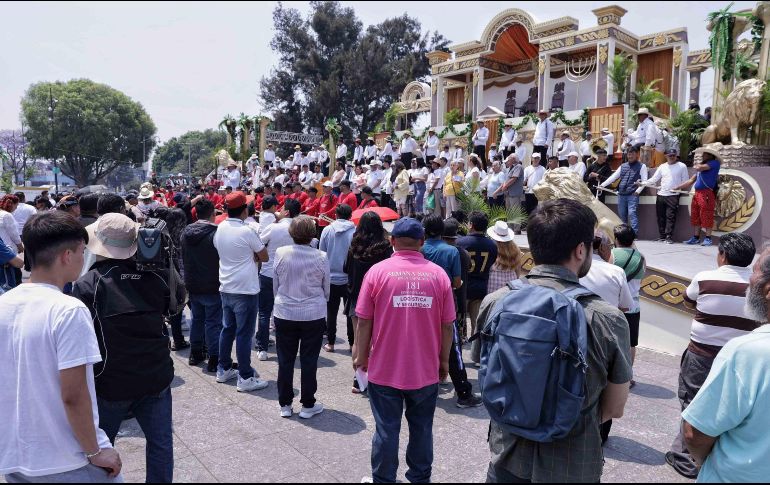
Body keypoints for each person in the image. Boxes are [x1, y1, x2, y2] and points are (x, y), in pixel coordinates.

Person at [479, 199, 632, 483]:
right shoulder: (605, 317)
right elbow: (614, 408)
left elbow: (488, 372)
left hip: (506, 457)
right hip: (571, 462)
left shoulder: (495, 303)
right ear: (581, 249)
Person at [0, 211, 123, 483]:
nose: (84, 258)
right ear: (67, 256)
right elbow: (74, 394)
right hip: (68, 460)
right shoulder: (68, 310)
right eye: (82, 251)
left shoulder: (4, 304)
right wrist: (94, 452)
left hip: (17, 458)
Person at [73, 212, 184, 483]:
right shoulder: (156, 278)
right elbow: (178, 304)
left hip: (110, 382)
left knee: (100, 448)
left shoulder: (88, 285)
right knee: (160, 444)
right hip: (155, 377)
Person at [354, 218, 456, 484]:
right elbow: (447, 326)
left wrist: (360, 356)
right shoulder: (439, 275)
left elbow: (363, 320)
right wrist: (443, 361)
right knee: (422, 429)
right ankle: (420, 478)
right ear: (422, 242)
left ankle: (383, 479)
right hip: (424, 370)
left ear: (392, 242)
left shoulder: (377, 273)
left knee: (386, 430)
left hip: (384, 369)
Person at [666, 232, 757, 479]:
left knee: (692, 401)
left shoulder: (705, 278)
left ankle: (688, 460)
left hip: (701, 355)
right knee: (729, 406)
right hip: (740, 359)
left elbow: (688, 301)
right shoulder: (755, 284)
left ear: (723, 255)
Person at [681, 246, 770, 483]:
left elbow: (695, 433)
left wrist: (704, 461)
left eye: (755, 272)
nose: (749, 281)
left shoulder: (748, 352)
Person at [422, 215, 483, 408]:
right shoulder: (451, 251)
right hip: (445, 304)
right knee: (453, 349)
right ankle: (464, 393)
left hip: (423, 304)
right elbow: (457, 282)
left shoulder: (421, 249)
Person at [273, 216, 330, 419]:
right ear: (313, 235)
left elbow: (276, 284)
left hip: (285, 311)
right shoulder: (321, 256)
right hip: (313, 313)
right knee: (309, 360)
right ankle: (307, 403)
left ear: (291, 233)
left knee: (285, 360)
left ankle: (285, 404)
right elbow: (326, 289)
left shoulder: (281, 253)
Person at [213, 191, 270, 393]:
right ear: (244, 210)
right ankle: (245, 377)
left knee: (227, 329)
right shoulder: (247, 231)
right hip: (245, 289)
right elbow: (264, 256)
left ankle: (224, 368)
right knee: (244, 334)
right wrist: (252, 256)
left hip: (226, 286)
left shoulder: (220, 228)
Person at [344, 212, 393, 393]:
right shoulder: (385, 246)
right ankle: (378, 376)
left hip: (357, 296)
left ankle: (358, 380)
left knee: (359, 339)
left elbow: (345, 268)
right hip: (380, 298)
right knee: (379, 340)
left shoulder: (354, 245)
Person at [181, 199, 223, 372]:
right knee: (213, 323)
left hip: (192, 283)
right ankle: (214, 357)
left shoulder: (185, 232)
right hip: (212, 283)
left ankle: (195, 353)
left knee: (197, 320)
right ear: (213, 214)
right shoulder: (216, 233)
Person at [257, 198, 302, 361]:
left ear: (287, 212)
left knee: (264, 312)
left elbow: (258, 244)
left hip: (269, 273)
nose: (279, 211)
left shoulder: (274, 227)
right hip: (291, 275)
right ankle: (287, 345)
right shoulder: (300, 229)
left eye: (282, 208)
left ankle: (262, 348)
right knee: (288, 311)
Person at [319, 204, 356, 353]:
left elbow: (321, 253)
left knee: (331, 312)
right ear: (350, 216)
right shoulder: (355, 231)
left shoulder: (328, 230)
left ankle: (331, 343)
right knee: (350, 312)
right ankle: (352, 344)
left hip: (331, 277)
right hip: (349, 278)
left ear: (335, 215)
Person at [457, 212, 498, 343]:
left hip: (464, 287)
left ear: (471, 225)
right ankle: (476, 348)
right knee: (477, 322)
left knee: (460, 319)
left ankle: (459, 345)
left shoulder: (460, 242)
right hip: (481, 286)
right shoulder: (492, 245)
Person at [612, 224, 646, 376]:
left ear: (616, 239)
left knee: (611, 339)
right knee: (631, 342)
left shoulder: (611, 255)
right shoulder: (641, 257)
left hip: (614, 304)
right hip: (633, 305)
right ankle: (628, 374)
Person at [678, 147, 722, 247]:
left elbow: (698, 167)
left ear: (710, 156)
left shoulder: (714, 163)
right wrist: (676, 187)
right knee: (695, 215)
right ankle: (696, 237)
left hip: (706, 194)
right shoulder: (701, 169)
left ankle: (708, 238)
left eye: (704, 154)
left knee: (706, 215)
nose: (702, 156)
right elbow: (690, 181)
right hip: (697, 194)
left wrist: (697, 162)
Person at [600, 145, 648, 235]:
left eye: (632, 154)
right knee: (622, 216)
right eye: (629, 154)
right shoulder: (623, 166)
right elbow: (613, 177)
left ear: (637, 154)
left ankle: (634, 234)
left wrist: (638, 191)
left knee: (632, 214)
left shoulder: (642, 166)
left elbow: (644, 181)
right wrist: (602, 185)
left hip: (632, 194)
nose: (630, 156)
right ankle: (624, 234)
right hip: (621, 194)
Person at [647, 148, 690, 243]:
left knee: (670, 216)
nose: (672, 157)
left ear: (676, 156)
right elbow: (654, 179)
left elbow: (686, 181)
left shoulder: (682, 166)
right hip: (661, 194)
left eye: (673, 155)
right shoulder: (662, 166)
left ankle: (669, 237)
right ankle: (662, 236)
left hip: (673, 195)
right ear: (666, 156)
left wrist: (677, 188)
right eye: (670, 155)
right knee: (660, 216)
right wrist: (643, 183)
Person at [497, 154, 525, 234]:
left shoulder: (518, 166)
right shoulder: (511, 168)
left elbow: (514, 178)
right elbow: (508, 179)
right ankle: (510, 228)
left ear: (513, 159)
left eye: (509, 160)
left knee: (515, 211)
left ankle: (516, 229)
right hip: (508, 193)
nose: (508, 161)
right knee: (509, 211)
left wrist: (505, 186)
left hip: (515, 193)